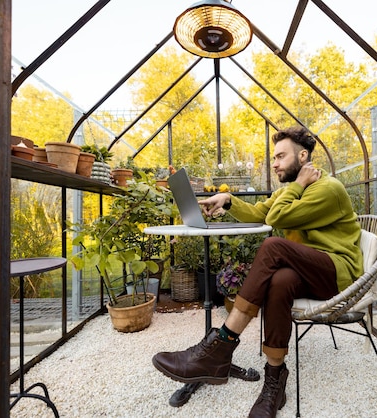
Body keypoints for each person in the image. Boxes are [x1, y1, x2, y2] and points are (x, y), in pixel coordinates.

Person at [152, 126, 363, 417]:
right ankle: (275, 380)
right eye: (273, 157)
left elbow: (276, 217)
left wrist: (298, 186)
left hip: (334, 273)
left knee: (274, 246)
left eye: (280, 156)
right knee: (279, 281)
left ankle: (220, 345)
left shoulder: (328, 189)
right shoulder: (291, 190)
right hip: (304, 272)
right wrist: (226, 200)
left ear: (303, 156)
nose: (274, 163)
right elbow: (261, 211)